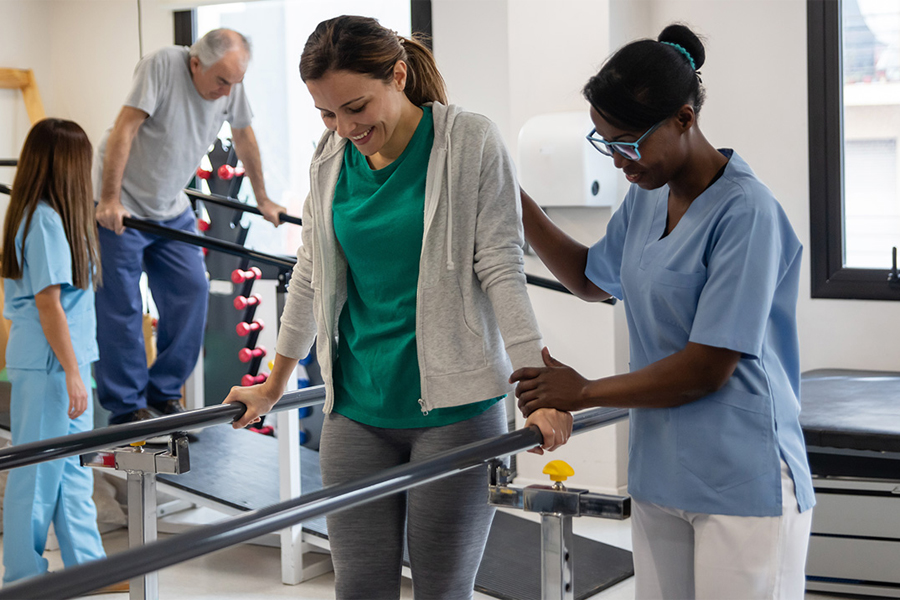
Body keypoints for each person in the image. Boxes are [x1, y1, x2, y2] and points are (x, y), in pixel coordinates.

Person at [225, 15, 573, 599]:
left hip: (454, 413)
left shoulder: (470, 141)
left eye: (356, 107)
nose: (345, 127)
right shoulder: (330, 156)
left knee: (441, 590)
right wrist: (273, 384)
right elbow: (310, 274)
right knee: (360, 589)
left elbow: (502, 270)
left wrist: (541, 394)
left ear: (400, 75)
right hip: (358, 408)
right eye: (327, 114)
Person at [510, 24, 815, 599]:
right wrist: (517, 202)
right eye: (605, 143)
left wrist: (584, 390)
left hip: (743, 478)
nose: (621, 160)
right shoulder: (646, 196)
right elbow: (591, 279)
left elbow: (707, 367)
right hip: (664, 473)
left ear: (683, 118)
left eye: (629, 141)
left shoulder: (747, 212)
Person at [93, 28, 286, 425]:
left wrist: (263, 198)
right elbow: (125, 128)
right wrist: (109, 198)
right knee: (121, 305)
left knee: (191, 292)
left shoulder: (230, 81)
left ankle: (163, 395)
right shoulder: (161, 65)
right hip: (123, 203)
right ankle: (126, 406)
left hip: (170, 205)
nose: (226, 91)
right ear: (196, 63)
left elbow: (244, 135)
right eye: (221, 81)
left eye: (234, 83)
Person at [0, 119, 124, 593]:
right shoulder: (44, 221)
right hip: (52, 366)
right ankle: (23, 579)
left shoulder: (53, 217)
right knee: (35, 478)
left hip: (66, 363)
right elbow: (48, 303)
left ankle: (88, 571)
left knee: (73, 473)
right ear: (65, 165)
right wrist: (73, 373)